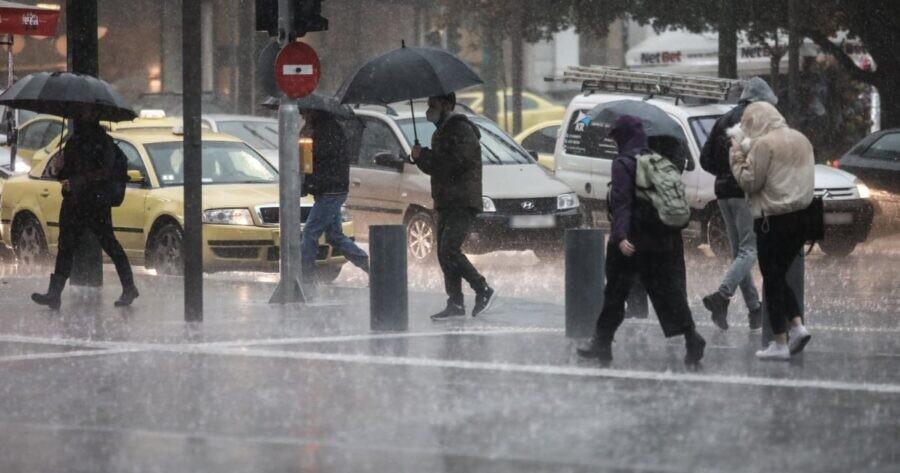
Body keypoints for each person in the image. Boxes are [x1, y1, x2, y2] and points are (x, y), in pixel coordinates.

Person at [578, 116, 705, 366]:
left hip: (632, 242)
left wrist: (621, 237)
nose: (614, 142)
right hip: (660, 239)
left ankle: (601, 343)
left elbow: (622, 203)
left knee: (614, 292)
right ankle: (692, 337)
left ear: (622, 138)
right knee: (668, 292)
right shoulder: (656, 160)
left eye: (615, 137)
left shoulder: (624, 163)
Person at [729, 102, 815, 361]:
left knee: (772, 278)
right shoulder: (802, 139)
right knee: (778, 276)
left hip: (774, 220)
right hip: (803, 218)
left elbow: (749, 181)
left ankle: (780, 341)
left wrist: (736, 156)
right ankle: (797, 326)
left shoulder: (764, 145)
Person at [31, 113, 138, 310]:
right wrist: (59, 169)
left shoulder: (103, 142)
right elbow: (67, 174)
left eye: (84, 111)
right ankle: (54, 293)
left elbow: (104, 173)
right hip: (74, 203)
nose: (79, 115)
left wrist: (76, 182)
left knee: (109, 243)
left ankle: (129, 287)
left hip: (95, 204)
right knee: (66, 246)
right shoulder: (73, 141)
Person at [699, 77, 777, 331]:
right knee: (749, 250)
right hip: (745, 191)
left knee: (739, 252)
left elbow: (705, 158)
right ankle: (722, 296)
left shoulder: (724, 119)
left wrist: (724, 173)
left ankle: (755, 309)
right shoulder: (757, 118)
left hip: (722, 192)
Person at [410, 93, 497, 320]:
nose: (429, 109)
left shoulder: (460, 129)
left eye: (433, 105)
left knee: (449, 249)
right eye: (428, 105)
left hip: (462, 201)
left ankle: (482, 288)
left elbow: (454, 164)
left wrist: (427, 156)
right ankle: (455, 302)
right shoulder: (442, 131)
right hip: (446, 201)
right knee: (443, 252)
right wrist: (420, 157)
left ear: (447, 105)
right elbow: (438, 167)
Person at [299, 109, 370, 284]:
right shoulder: (326, 129)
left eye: (304, 113)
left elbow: (313, 160)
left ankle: (304, 276)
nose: (303, 116)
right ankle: (369, 266)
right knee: (334, 235)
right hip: (330, 189)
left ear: (315, 113)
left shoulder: (326, 131)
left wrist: (305, 140)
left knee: (310, 232)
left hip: (330, 190)